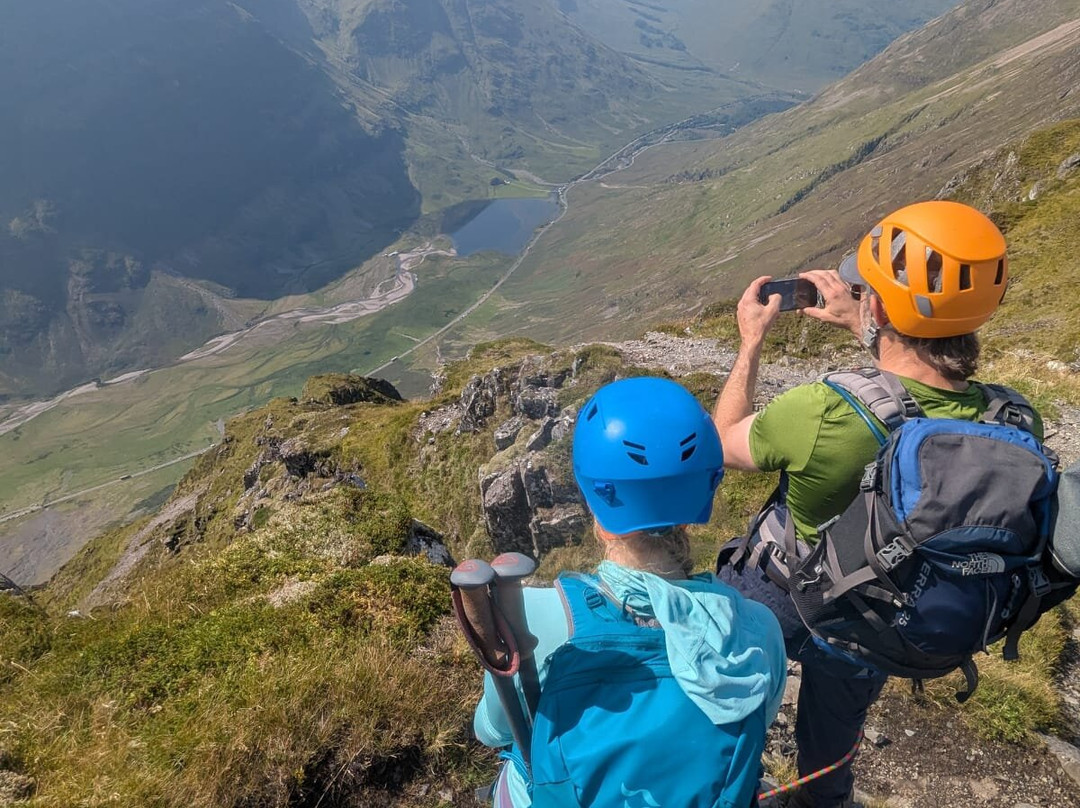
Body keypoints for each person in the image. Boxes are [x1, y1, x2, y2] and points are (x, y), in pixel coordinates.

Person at [712, 199, 1043, 808]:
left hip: (785, 595)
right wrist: (867, 324)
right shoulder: (1013, 417)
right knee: (831, 744)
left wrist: (750, 343)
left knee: (719, 698)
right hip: (883, 613)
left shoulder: (823, 409)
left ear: (881, 306)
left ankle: (715, 784)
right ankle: (822, 797)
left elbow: (722, 441)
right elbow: (921, 390)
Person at [473, 376, 787, 808]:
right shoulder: (756, 629)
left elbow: (492, 730)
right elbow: (759, 717)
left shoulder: (536, 616)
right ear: (704, 494)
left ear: (598, 510)